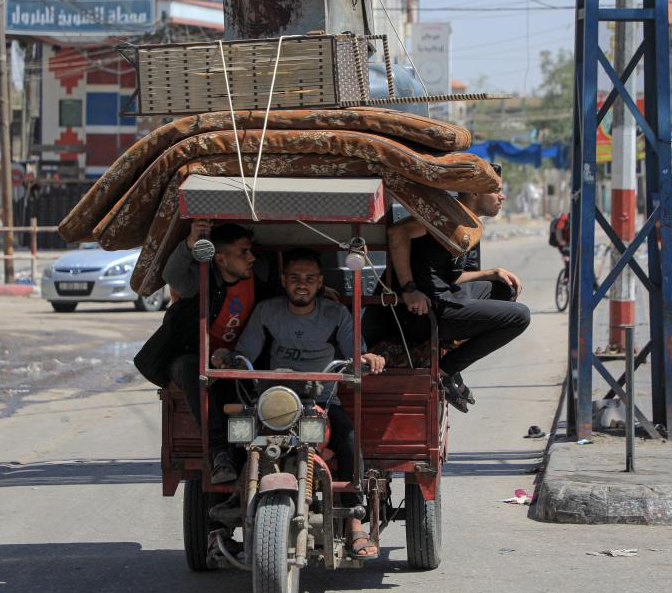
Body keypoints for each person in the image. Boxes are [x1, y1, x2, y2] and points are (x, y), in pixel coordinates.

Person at [212, 248, 386, 560]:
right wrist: (228, 357)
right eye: (295, 278)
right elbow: (245, 354)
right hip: (273, 403)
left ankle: (355, 523)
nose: (301, 284)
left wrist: (367, 358)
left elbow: (356, 354)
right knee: (240, 437)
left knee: (349, 438)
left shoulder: (336, 315)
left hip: (321, 401)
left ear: (320, 282)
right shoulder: (267, 312)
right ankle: (225, 515)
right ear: (283, 281)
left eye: (309, 278)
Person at [387, 186, 531, 413]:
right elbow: (397, 232)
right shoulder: (444, 217)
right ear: (474, 192)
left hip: (447, 293)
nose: (502, 196)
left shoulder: (470, 225)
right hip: (426, 310)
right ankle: (444, 371)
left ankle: (452, 363)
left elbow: (454, 277)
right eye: (495, 190)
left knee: (504, 290)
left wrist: (492, 272)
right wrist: (409, 288)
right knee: (520, 317)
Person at [157, 221, 274, 484]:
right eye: (243, 252)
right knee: (192, 369)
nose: (251, 257)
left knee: (245, 389)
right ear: (220, 259)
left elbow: (281, 298)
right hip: (192, 357)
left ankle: (252, 460)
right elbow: (172, 275)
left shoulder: (259, 276)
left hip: (237, 360)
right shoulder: (202, 279)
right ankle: (218, 451)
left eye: (250, 250)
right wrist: (190, 244)